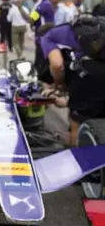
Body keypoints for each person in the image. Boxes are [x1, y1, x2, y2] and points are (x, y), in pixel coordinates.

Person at [40, 13, 105, 146]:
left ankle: (76, 159)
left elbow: (57, 64)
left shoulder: (49, 37)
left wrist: (59, 85)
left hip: (90, 75)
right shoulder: (98, 25)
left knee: (77, 123)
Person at [18, 0, 55, 80]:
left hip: (44, 38)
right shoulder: (43, 4)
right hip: (42, 38)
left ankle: (43, 83)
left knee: (41, 62)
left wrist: (20, 7)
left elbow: (30, 20)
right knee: (40, 62)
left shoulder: (43, 5)